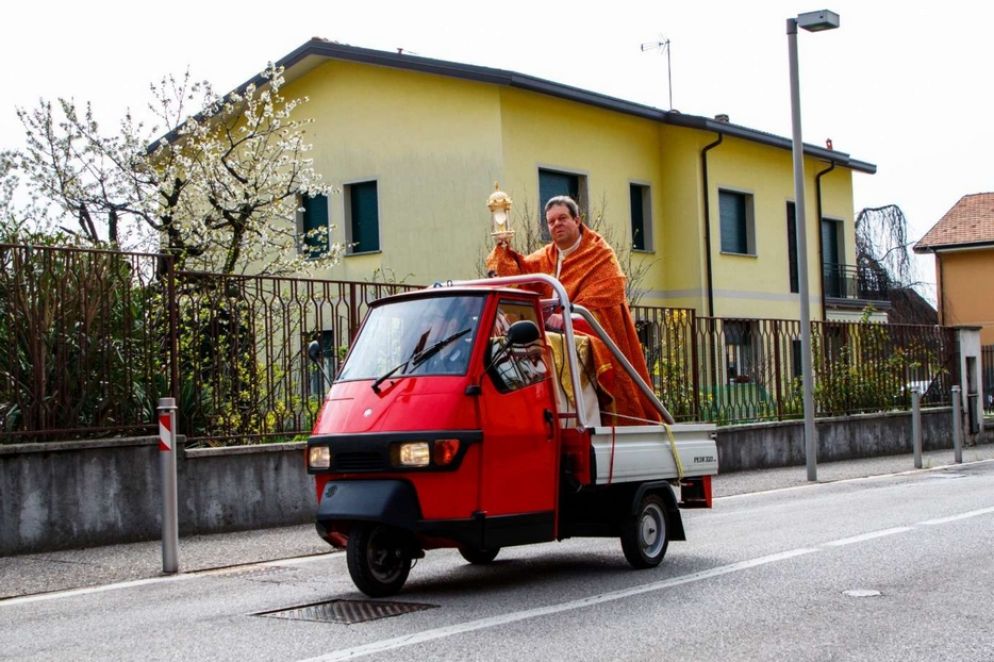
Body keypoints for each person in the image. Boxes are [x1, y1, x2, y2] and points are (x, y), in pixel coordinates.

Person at [485, 195, 659, 425]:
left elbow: (606, 293)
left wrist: (570, 317)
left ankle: (583, 422)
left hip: (589, 339)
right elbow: (522, 275)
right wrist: (504, 252)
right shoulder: (546, 256)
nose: (556, 224)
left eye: (562, 218)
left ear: (577, 220)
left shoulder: (600, 254)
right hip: (552, 339)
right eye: (551, 221)